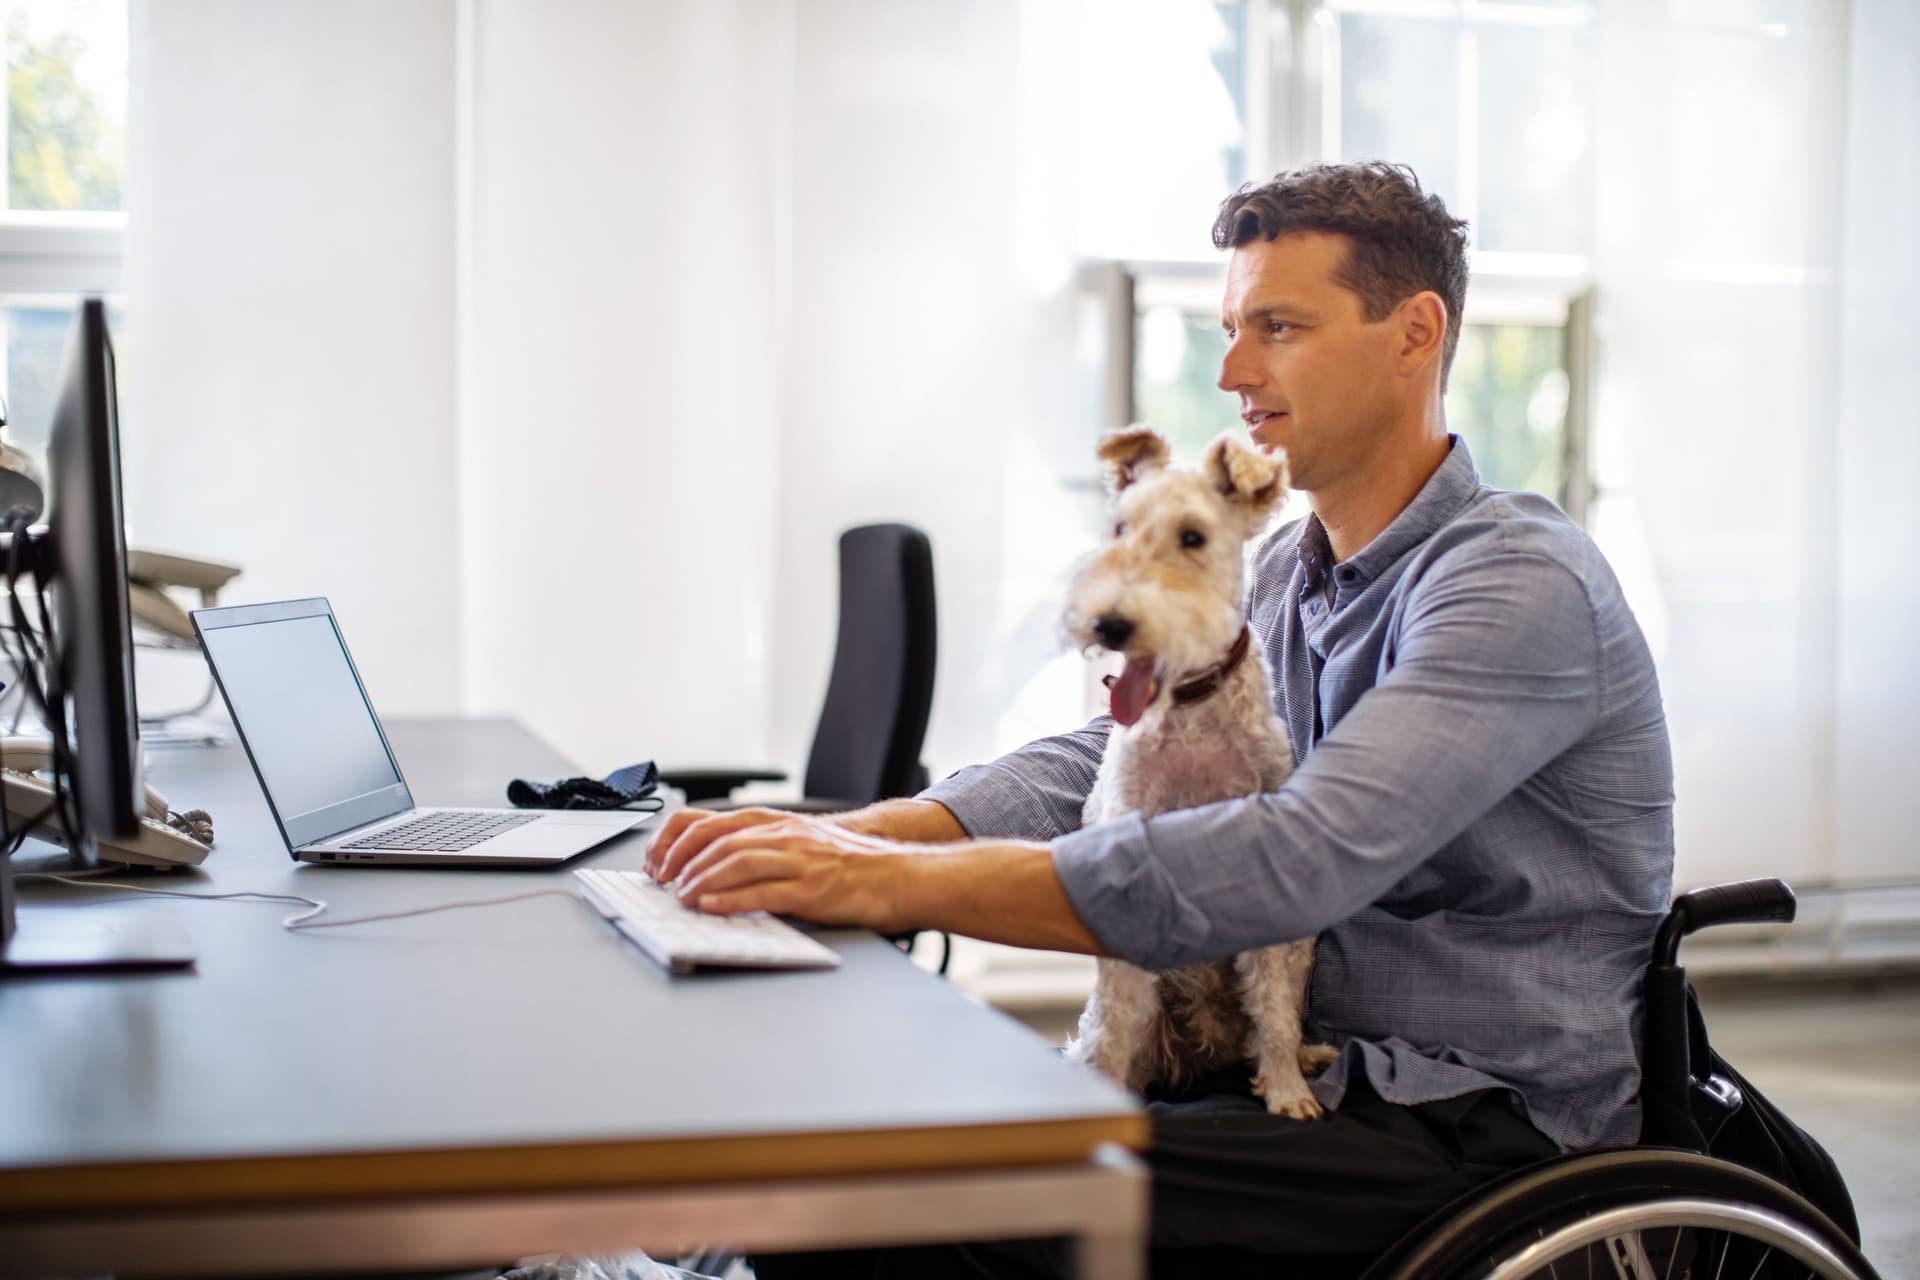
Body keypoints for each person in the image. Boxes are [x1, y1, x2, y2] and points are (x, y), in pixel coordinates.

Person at [647, 162, 1675, 1279]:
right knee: (875, 1131)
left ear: (1414, 332)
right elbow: (1116, 751)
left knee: (889, 1194)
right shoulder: (1286, 567)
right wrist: (868, 834)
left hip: (1461, 1113)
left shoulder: (1515, 582)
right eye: (1233, 328)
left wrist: (890, 885)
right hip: (1271, 1066)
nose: (1233, 370)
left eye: (1277, 326)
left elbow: (1301, 852)